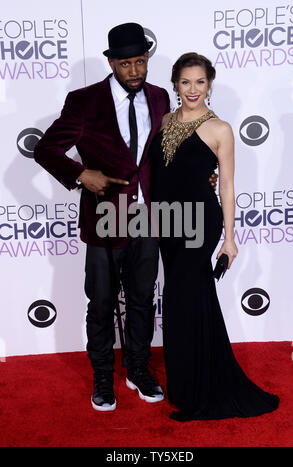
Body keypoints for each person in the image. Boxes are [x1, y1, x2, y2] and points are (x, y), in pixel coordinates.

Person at [34, 22, 218, 412]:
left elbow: (164, 153)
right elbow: (46, 150)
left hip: (148, 217)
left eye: (140, 62)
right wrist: (81, 173)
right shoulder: (84, 101)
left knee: (141, 300)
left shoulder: (157, 98)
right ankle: (103, 376)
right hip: (104, 216)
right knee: (100, 303)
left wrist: (200, 173)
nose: (134, 71)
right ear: (111, 62)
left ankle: (137, 368)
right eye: (125, 64)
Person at [150, 52, 279, 421]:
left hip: (200, 225)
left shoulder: (220, 128)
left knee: (189, 298)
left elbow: (227, 187)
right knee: (178, 302)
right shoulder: (163, 120)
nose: (193, 89)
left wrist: (230, 239)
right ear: (175, 83)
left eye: (200, 82)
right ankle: (187, 385)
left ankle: (203, 393)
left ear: (210, 84)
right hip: (169, 224)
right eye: (186, 81)